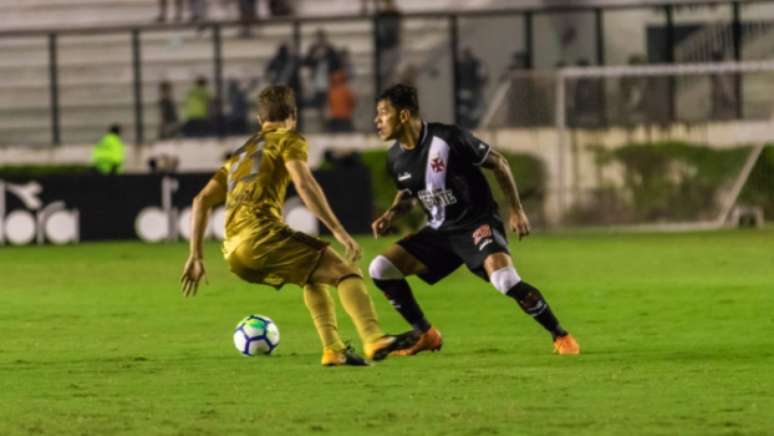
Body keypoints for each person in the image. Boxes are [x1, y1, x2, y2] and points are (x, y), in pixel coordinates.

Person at [180, 85, 416, 366]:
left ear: (259, 121)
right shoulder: (287, 139)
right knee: (345, 271)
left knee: (312, 275)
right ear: (293, 115)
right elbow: (304, 183)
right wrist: (339, 231)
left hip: (233, 251)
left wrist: (195, 255)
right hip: (262, 235)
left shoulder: (239, 155)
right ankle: (373, 337)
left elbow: (200, 200)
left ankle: (334, 350)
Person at [368, 84, 580, 356]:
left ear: (404, 115)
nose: (377, 120)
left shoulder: (448, 138)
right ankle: (426, 334)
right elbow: (410, 194)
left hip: (476, 223)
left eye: (383, 113)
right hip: (439, 233)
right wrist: (390, 215)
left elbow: (499, 163)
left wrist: (516, 210)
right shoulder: (396, 158)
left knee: (505, 280)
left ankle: (560, 334)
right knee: (380, 269)